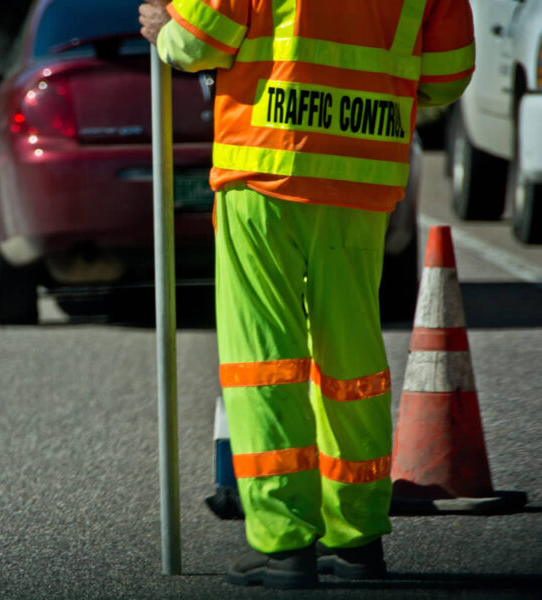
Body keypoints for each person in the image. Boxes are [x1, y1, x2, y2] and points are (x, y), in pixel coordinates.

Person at [140, 0, 474, 589]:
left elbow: (198, 40)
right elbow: (447, 76)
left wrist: (163, 31)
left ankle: (286, 544)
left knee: (265, 364)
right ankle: (358, 541)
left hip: (265, 169)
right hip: (361, 178)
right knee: (352, 364)